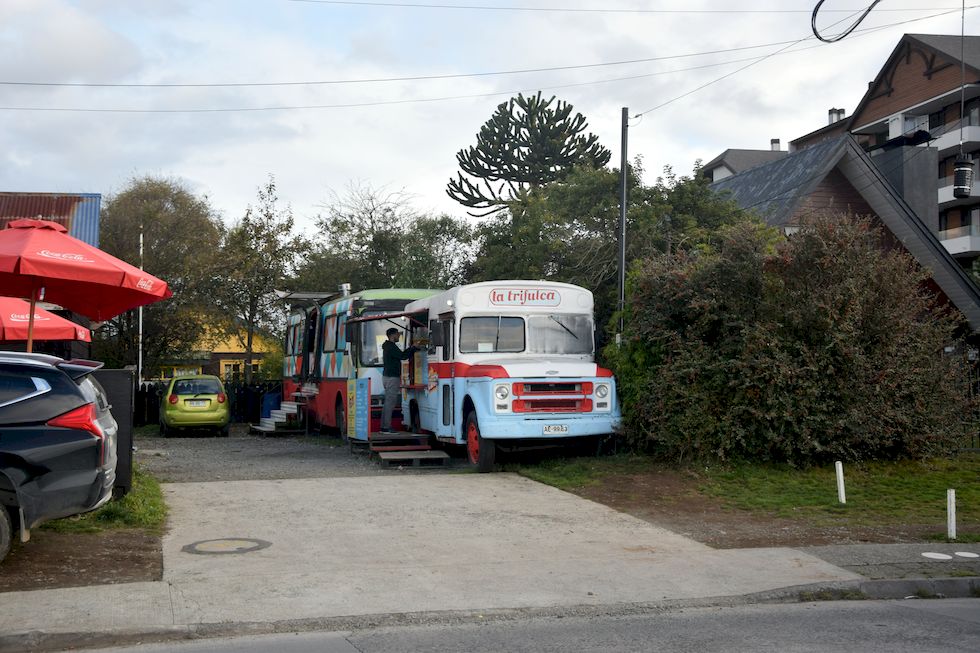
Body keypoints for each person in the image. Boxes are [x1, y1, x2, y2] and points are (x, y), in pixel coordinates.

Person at [380, 327, 418, 433]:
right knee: (390, 403)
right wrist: (413, 348)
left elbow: (401, 355)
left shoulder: (387, 346)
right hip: (392, 377)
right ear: (392, 335)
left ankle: (384, 426)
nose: (399, 336)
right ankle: (386, 427)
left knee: (387, 403)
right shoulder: (391, 347)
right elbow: (403, 356)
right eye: (397, 334)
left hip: (387, 377)